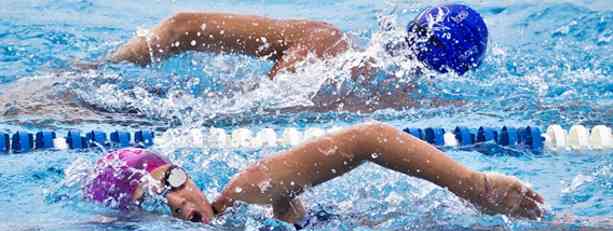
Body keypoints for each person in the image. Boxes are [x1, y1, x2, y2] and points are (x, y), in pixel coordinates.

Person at [84, 122, 544, 228]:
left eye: (176, 180)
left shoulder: (246, 191)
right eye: (161, 197)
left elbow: (370, 138)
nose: (182, 201)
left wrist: (473, 186)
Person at [108, 4, 488, 112]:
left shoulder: (324, 41)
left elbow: (180, 27)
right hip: (200, 127)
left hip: (150, 106)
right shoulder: (428, 107)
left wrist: (94, 71)